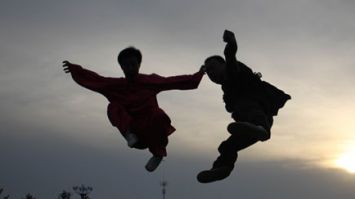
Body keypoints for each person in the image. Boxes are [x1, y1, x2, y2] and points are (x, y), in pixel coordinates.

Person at [63, 47, 204, 172]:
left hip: (150, 131)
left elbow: (174, 81)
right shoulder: (115, 86)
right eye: (126, 66)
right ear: (121, 67)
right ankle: (128, 133)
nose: (130, 68)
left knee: (159, 115)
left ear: (139, 65)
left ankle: (158, 153)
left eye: (133, 64)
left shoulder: (150, 82)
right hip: (134, 134)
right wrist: (75, 70)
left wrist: (199, 75)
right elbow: (95, 80)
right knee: (113, 106)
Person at [197, 30, 291, 183]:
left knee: (244, 106)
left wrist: (231, 42)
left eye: (213, 68)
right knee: (228, 146)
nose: (211, 74)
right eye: (208, 73)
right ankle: (222, 168)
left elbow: (230, 55)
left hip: (259, 116)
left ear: (223, 65)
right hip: (250, 128)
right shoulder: (227, 91)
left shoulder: (233, 70)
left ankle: (261, 129)